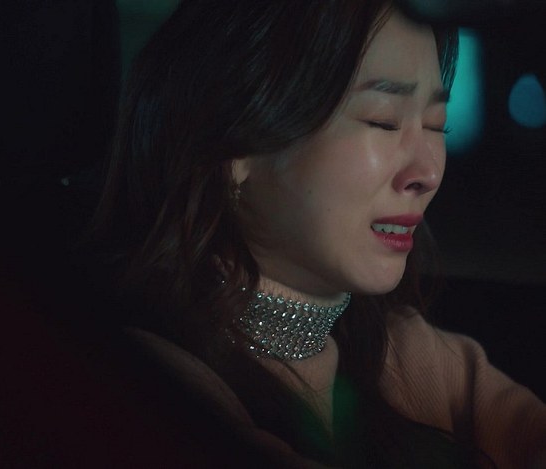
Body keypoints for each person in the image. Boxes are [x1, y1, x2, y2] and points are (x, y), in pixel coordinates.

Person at [90, 0, 546, 466]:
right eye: (383, 121)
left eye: (436, 125)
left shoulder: (403, 353)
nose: (427, 173)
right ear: (236, 147)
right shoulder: (157, 383)